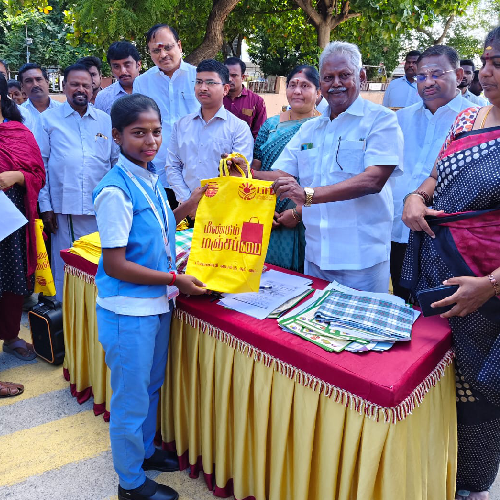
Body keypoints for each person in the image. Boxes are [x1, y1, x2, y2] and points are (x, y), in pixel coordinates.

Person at [402, 26, 500, 500]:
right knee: (435, 378)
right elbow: (437, 175)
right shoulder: (468, 118)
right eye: (486, 62)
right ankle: (432, 472)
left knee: (479, 392)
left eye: (499, 63)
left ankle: (472, 485)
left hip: (486, 286)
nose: (487, 72)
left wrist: (492, 285)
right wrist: (416, 197)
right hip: (439, 271)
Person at [93, 93, 207, 500]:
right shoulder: (115, 190)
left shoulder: (149, 175)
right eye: (138, 133)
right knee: (130, 398)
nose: (150, 141)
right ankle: (130, 483)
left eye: (156, 132)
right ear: (117, 136)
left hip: (157, 304)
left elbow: (159, 228)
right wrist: (176, 279)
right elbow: (116, 264)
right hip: (128, 311)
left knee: (150, 385)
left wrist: (188, 205)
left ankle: (143, 452)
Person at [238, 41, 403, 292]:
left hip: (360, 259)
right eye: (328, 77)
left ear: (361, 76)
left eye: (344, 75)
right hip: (315, 255)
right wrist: (247, 173)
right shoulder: (311, 128)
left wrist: (308, 195)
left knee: (357, 320)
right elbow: (282, 173)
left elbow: (373, 180)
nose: (336, 83)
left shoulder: (381, 120)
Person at [391, 45, 475, 301]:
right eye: (421, 76)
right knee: (402, 302)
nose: (428, 82)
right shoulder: (400, 119)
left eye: (437, 74)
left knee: (439, 307)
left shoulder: (475, 119)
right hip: (398, 228)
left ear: (458, 75)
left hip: (444, 235)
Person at [38, 64, 118, 301]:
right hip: (65, 209)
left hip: (101, 207)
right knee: (68, 265)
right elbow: (41, 165)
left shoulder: (105, 120)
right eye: (75, 84)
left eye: (86, 85)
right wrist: (46, 207)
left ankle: (96, 311)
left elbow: (114, 162)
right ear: (64, 86)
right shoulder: (47, 120)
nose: (81, 89)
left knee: (99, 264)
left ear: (93, 88)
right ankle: (67, 313)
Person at [252, 65, 321, 272]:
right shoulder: (270, 125)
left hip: (304, 209)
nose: (297, 91)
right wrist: (261, 207)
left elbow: (324, 178)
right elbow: (256, 164)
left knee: (299, 273)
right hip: (265, 207)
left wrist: (299, 212)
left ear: (318, 92)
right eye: (292, 85)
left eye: (305, 86)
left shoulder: (323, 127)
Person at [0, 75, 45, 370]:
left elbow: (39, 175)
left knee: (12, 278)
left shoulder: (18, 133)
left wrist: (18, 176)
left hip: (10, 222)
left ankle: (11, 336)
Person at [166, 59, 253, 203]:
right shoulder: (181, 125)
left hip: (223, 207)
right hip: (187, 207)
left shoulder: (239, 128)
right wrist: (189, 202)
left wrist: (211, 206)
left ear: (225, 89)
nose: (203, 88)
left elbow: (240, 173)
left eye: (210, 83)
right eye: (198, 82)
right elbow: (173, 166)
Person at [133, 24, 199, 189]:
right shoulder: (142, 83)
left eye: (168, 47)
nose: (163, 55)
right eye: (156, 50)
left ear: (179, 46)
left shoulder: (199, 78)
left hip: (196, 171)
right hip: (158, 173)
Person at [223, 56, 267, 139]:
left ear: (242, 77)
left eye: (234, 75)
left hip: (245, 146)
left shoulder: (257, 101)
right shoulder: (216, 98)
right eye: (226, 75)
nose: (229, 79)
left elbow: (259, 134)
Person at [94, 41, 142, 114]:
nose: (123, 71)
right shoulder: (103, 97)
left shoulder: (153, 89)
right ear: (111, 69)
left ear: (138, 65)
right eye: (116, 66)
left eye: (127, 65)